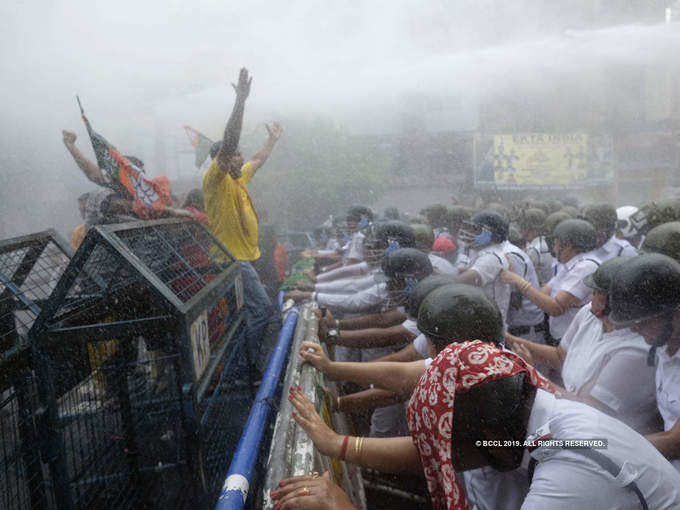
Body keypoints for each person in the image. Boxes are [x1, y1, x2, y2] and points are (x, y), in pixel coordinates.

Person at [507, 257, 658, 433]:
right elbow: (560, 357)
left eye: (597, 294)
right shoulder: (590, 314)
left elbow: (590, 410)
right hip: (571, 415)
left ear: (621, 303)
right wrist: (510, 340)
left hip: (602, 434)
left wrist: (531, 375)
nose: (591, 298)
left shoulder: (639, 350)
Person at [202, 68, 283, 374]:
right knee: (262, 309)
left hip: (245, 257)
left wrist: (272, 140)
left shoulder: (240, 177)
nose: (240, 158)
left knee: (249, 311)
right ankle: (249, 367)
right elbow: (230, 138)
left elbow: (259, 159)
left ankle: (244, 362)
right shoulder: (216, 179)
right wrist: (240, 102)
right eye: (234, 155)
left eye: (239, 155)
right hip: (231, 259)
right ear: (222, 159)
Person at [609, 253, 680, 472]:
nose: (634, 329)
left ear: (675, 314)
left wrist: (606, 448)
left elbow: (675, 442)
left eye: (641, 322)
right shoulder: (665, 345)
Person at [501, 219, 599, 344]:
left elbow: (556, 308)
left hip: (575, 340)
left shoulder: (585, 267)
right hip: (564, 338)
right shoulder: (571, 265)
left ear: (567, 245)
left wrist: (519, 281)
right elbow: (543, 293)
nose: (554, 248)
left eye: (556, 243)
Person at [456, 210, 512, 326]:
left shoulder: (491, 257)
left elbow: (464, 281)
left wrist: (439, 278)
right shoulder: (484, 252)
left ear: (491, 234)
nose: (471, 233)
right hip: (483, 320)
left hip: (489, 325)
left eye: (476, 230)